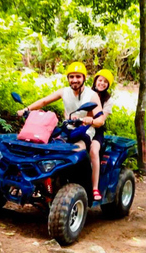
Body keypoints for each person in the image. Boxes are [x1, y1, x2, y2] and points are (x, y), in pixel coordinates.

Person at [17, 62, 105, 200]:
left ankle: (91, 188)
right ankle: (44, 182)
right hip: (68, 129)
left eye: (78, 76)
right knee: (49, 149)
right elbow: (44, 101)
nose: (74, 80)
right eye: (71, 77)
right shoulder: (64, 92)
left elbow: (101, 121)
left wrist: (90, 121)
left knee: (78, 151)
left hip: (86, 131)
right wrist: (27, 109)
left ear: (84, 78)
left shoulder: (92, 95)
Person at [82, 69, 114, 201]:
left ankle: (94, 187)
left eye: (105, 82)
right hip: (79, 127)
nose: (102, 83)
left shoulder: (108, 100)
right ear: (95, 80)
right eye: (100, 80)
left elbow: (101, 121)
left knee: (94, 151)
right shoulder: (85, 93)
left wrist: (91, 121)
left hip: (96, 129)